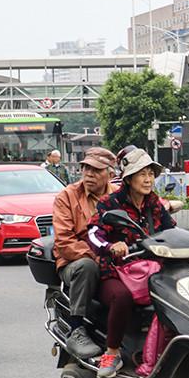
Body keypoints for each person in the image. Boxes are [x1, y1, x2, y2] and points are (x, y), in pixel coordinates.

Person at [87, 149, 175, 378]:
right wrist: (110, 247)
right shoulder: (110, 203)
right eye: (142, 174)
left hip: (151, 270)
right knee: (121, 297)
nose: (148, 179)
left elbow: (171, 230)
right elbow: (94, 234)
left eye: (151, 174)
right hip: (116, 271)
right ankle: (112, 352)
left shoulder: (153, 203)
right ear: (128, 178)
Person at [52, 147, 118, 359]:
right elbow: (64, 241)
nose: (89, 174)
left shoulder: (118, 195)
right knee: (87, 266)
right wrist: (96, 256)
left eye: (96, 170)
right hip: (75, 260)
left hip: (112, 258)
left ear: (110, 173)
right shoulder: (67, 196)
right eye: (86, 168)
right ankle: (76, 328)